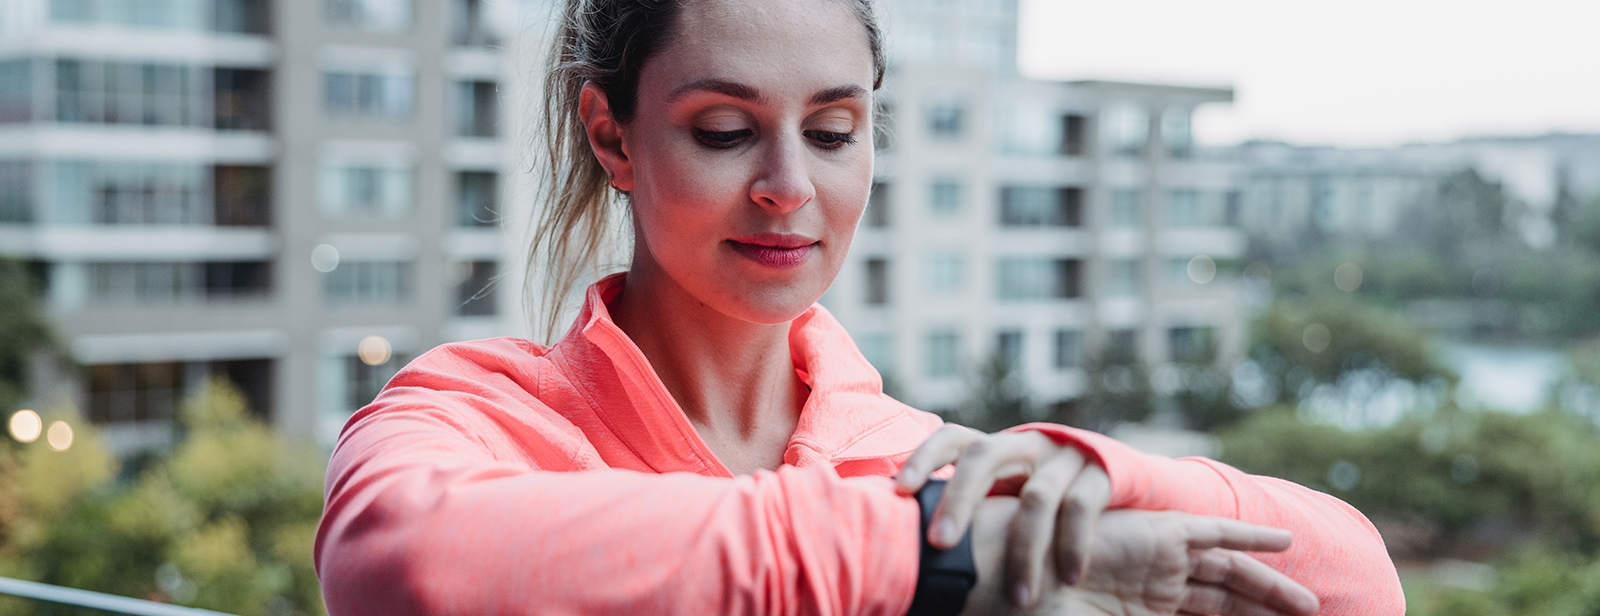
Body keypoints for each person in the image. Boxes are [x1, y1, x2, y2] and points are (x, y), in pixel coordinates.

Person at [313, 0, 1405, 613]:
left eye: (834, 130)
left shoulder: (942, 468)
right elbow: (413, 567)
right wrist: (927, 559)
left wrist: (1110, 474)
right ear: (613, 137)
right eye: (724, 130)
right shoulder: (476, 415)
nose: (791, 185)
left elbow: (1359, 588)